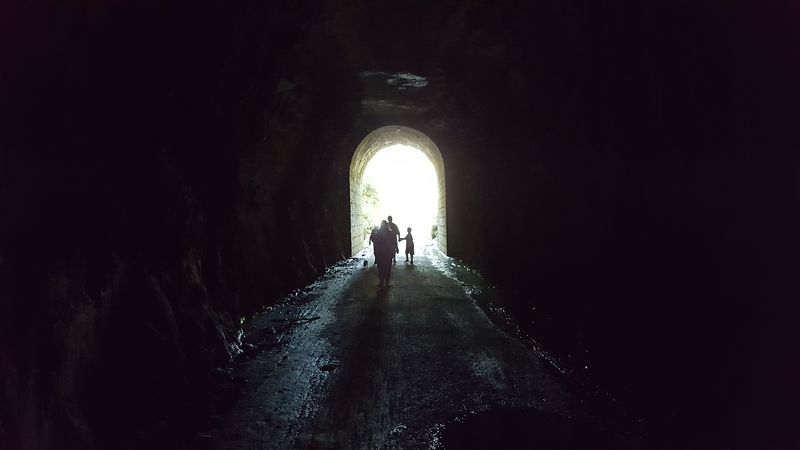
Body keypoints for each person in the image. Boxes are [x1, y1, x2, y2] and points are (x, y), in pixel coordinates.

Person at [373, 220, 396, 288]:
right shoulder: (390, 233)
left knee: (381, 268)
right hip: (388, 253)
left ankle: (381, 282)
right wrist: (395, 250)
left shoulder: (378, 233)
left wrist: (375, 253)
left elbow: (375, 243)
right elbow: (394, 242)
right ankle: (387, 282)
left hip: (380, 253)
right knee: (388, 268)